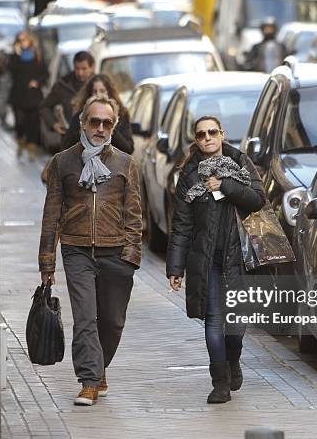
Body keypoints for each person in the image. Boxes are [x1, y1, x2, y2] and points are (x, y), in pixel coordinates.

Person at [38, 94, 143, 406]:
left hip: (116, 252)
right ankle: (88, 380)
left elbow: (135, 214)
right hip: (76, 249)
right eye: (94, 121)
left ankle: (99, 368)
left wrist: (131, 256)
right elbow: (51, 212)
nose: (100, 127)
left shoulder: (125, 163)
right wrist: (47, 261)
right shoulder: (63, 162)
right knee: (85, 319)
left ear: (113, 126)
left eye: (106, 123)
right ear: (83, 122)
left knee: (112, 321)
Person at [166, 116, 265, 404]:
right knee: (213, 319)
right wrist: (175, 267)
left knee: (236, 324)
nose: (207, 138)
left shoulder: (240, 162)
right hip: (206, 259)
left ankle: (233, 360)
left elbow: (258, 199)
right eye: (201, 135)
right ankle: (220, 381)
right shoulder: (189, 175)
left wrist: (224, 185)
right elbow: (181, 225)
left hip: (239, 256)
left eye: (212, 132)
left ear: (222, 134)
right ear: (195, 140)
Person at [61, 74, 134, 155]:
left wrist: (110, 127)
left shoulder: (122, 114)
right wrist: (85, 126)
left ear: (109, 93)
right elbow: (65, 147)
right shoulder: (81, 116)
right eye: (94, 91)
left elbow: (128, 149)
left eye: (102, 91)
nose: (98, 94)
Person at [39, 51, 95, 151]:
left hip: (94, 142)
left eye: (84, 69)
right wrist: (54, 124)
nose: (80, 72)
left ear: (92, 67)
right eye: (77, 68)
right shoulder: (63, 85)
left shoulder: (99, 85)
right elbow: (44, 106)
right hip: (69, 143)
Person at [8, 30, 48, 161]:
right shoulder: (15, 56)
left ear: (30, 40)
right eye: (20, 40)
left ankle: (31, 149)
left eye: (24, 39)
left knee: (33, 122)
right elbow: (10, 70)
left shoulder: (37, 55)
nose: (22, 42)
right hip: (18, 95)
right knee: (20, 122)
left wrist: (37, 82)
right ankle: (20, 142)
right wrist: (16, 54)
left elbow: (45, 73)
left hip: (33, 95)